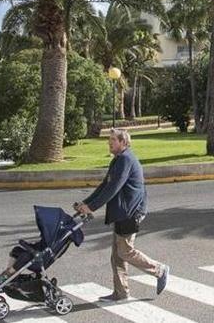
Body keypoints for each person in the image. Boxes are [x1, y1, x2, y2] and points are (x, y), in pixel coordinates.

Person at [73, 129, 170, 301]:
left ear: (123, 142)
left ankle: (159, 270)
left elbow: (113, 187)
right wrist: (86, 203)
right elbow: (105, 185)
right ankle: (121, 293)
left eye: (113, 140)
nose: (109, 143)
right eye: (109, 140)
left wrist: (92, 207)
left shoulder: (126, 159)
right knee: (117, 255)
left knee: (124, 251)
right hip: (122, 212)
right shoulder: (118, 160)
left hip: (130, 212)